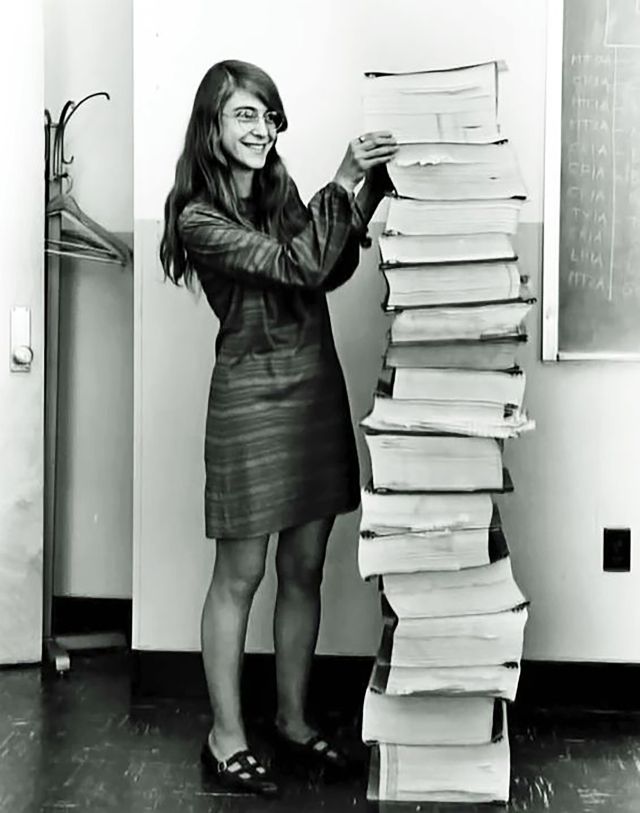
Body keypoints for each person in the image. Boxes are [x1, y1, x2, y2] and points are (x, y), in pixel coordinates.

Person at [160, 59, 397, 796]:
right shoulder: (199, 217)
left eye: (267, 115)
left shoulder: (279, 190)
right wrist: (344, 174)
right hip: (250, 399)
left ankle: (292, 719)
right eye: (244, 115)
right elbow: (296, 263)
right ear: (212, 125)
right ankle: (225, 735)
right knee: (242, 575)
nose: (261, 129)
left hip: (311, 387)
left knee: (303, 568)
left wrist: (373, 186)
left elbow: (324, 267)